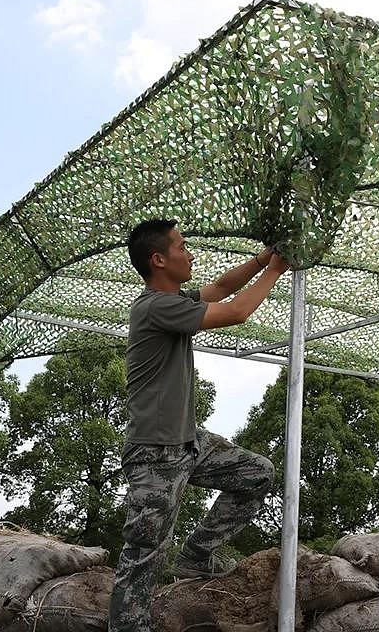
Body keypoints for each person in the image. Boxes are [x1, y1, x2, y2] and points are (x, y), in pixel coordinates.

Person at [109, 218, 289, 632]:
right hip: (155, 452)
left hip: (188, 442)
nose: (190, 254)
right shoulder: (155, 306)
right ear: (158, 259)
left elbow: (223, 288)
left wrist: (262, 258)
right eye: (181, 247)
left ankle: (196, 554)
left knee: (256, 473)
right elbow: (238, 310)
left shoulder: (173, 300)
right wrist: (278, 269)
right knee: (145, 552)